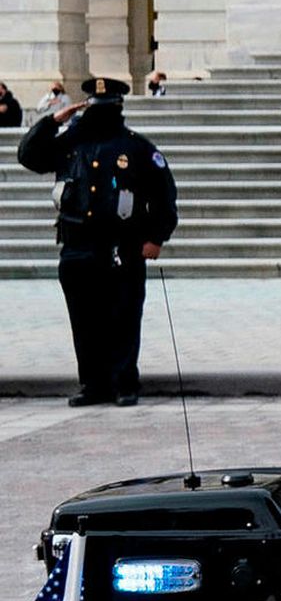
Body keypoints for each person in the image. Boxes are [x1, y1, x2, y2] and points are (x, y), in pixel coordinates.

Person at [16, 77, 177, 407]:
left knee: (123, 318)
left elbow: (164, 195)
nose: (98, 115)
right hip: (76, 247)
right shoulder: (70, 144)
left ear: (118, 109)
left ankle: (124, 384)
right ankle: (93, 384)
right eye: (94, 108)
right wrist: (53, 120)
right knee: (84, 321)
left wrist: (156, 237)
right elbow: (28, 156)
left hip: (122, 248)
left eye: (105, 109)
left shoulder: (137, 148)